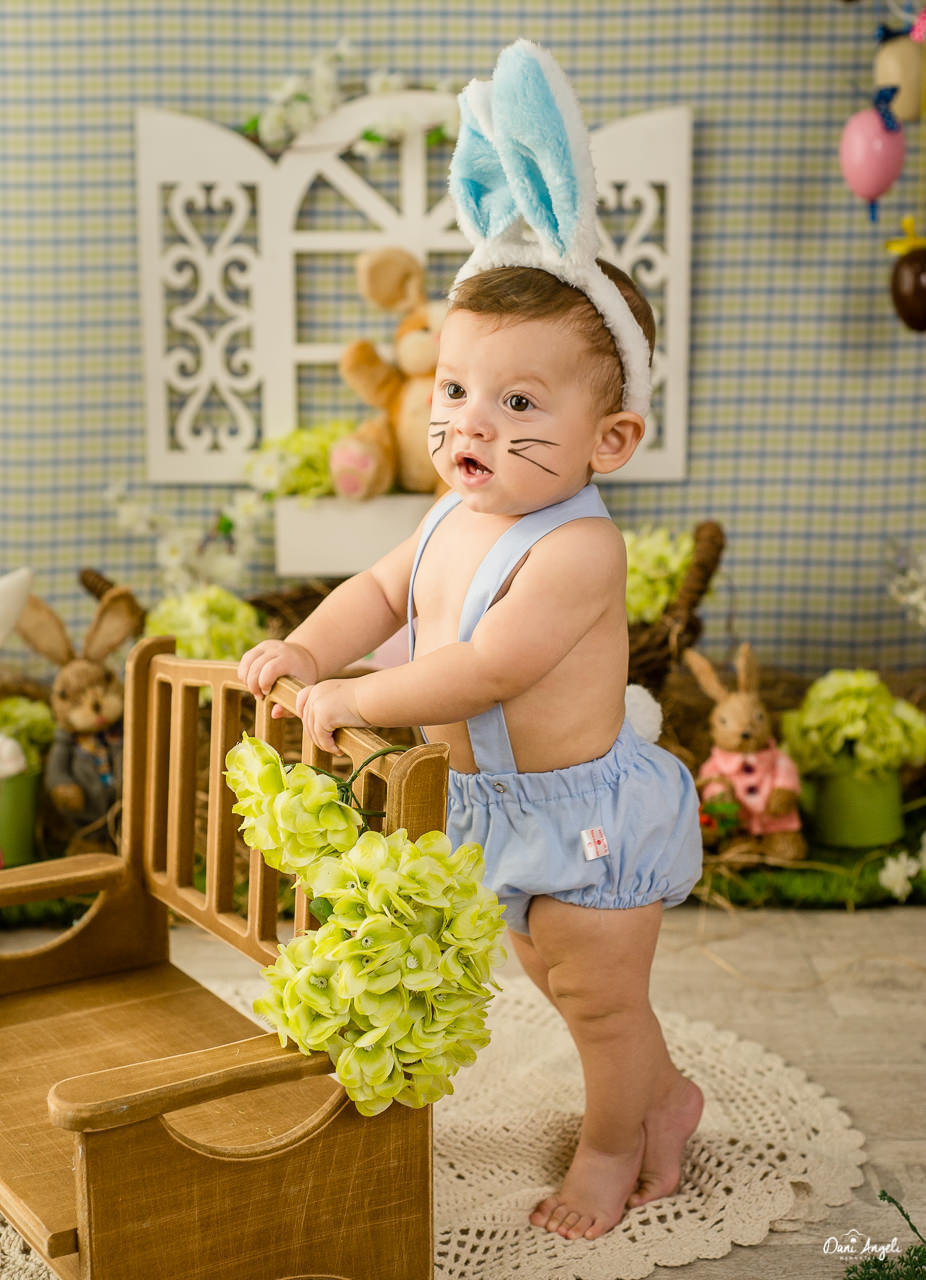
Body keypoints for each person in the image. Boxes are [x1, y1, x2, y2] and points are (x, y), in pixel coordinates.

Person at [239, 38, 704, 1243]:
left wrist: (360, 696)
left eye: (517, 402)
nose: (467, 425)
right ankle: (663, 1094)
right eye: (453, 390)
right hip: (497, 808)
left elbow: (493, 666)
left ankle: (614, 1143)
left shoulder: (577, 548)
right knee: (552, 978)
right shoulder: (451, 512)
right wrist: (309, 650)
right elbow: (377, 588)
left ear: (608, 439)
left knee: (596, 998)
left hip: (583, 819)